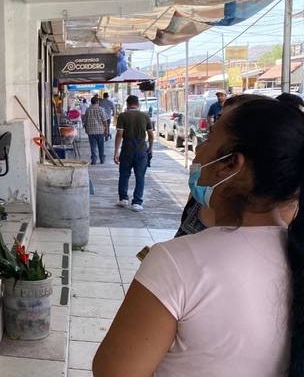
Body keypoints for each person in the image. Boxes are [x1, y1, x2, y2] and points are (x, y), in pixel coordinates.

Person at [94, 98, 304, 377]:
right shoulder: (293, 253)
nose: (198, 151)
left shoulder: (176, 262)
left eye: (208, 138)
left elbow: (113, 372)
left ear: (230, 164)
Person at [175, 93, 269, 237]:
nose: (199, 148)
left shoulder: (267, 225)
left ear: (234, 162)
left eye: (212, 138)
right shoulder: (200, 195)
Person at [114, 95, 154, 212]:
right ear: (138, 104)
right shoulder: (145, 116)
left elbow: (119, 134)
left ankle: (123, 199)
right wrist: (150, 147)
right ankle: (137, 202)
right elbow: (151, 135)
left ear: (127, 104)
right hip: (142, 150)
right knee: (140, 176)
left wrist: (116, 151)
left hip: (127, 149)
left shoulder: (123, 116)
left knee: (124, 175)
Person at [83, 96, 109, 164]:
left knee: (93, 146)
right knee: (101, 146)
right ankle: (102, 159)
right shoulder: (101, 109)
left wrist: (86, 129)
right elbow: (105, 121)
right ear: (98, 102)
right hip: (100, 131)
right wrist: (106, 130)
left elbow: (85, 121)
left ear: (91, 102)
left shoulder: (88, 110)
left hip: (91, 131)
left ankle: (94, 160)